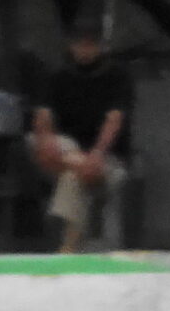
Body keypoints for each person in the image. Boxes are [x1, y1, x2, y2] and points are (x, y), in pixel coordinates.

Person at [30, 23, 131, 253]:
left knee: (72, 178)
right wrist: (47, 140)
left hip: (107, 159)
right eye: (80, 44)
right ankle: (69, 245)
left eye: (90, 45)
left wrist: (97, 154)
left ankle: (68, 245)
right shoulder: (58, 77)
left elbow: (114, 119)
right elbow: (43, 115)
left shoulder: (117, 77)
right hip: (66, 151)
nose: (84, 50)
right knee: (37, 143)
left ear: (100, 47)